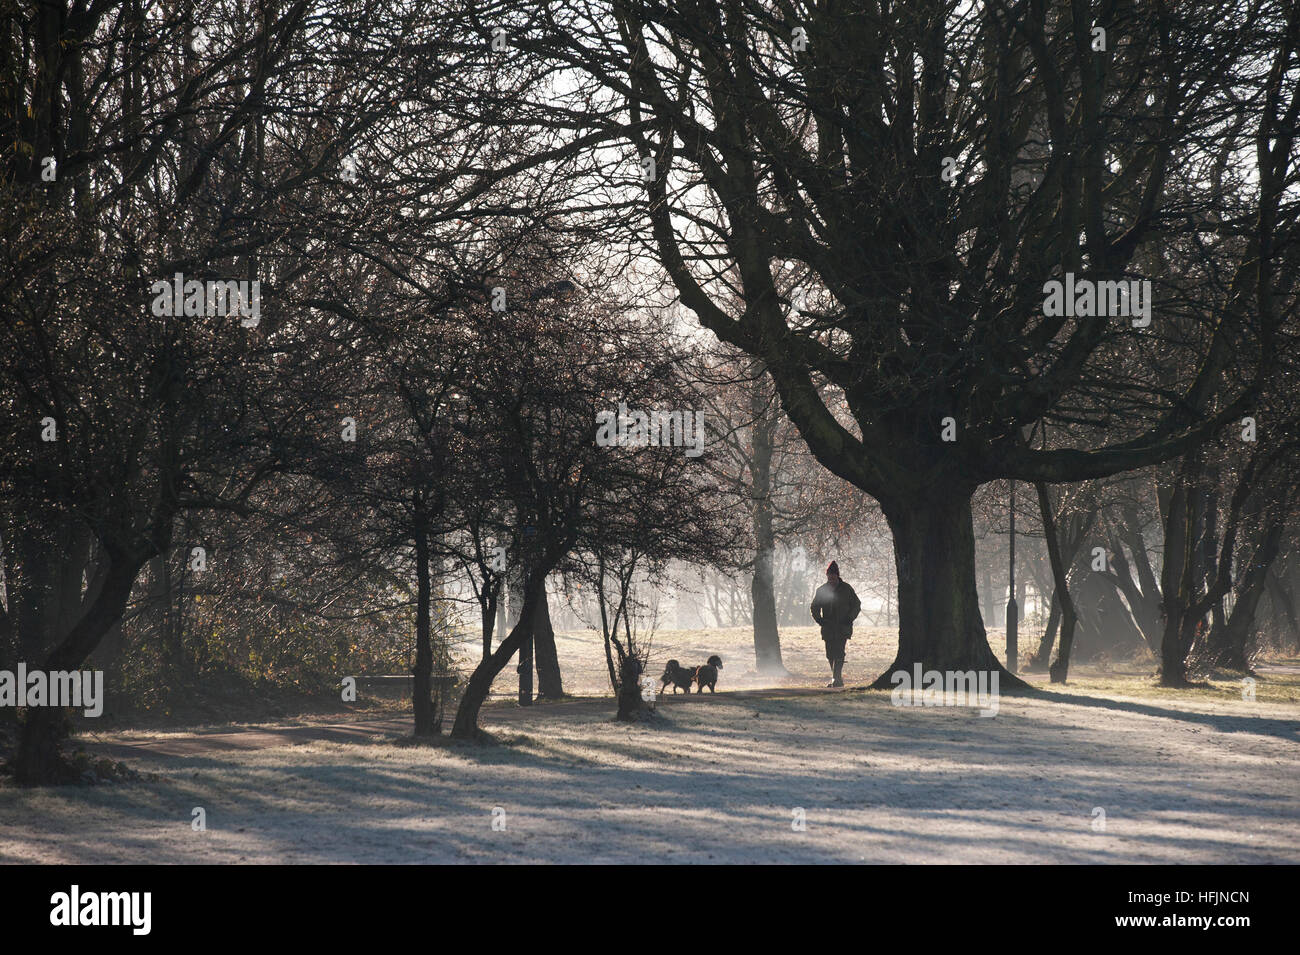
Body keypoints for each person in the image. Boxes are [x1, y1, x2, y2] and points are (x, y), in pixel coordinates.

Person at [810, 560, 861, 687]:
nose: (831, 577)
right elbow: (814, 607)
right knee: (829, 653)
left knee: (839, 651)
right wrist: (820, 620)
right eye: (829, 575)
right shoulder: (821, 590)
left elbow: (856, 605)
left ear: (837, 575)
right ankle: (836, 678)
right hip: (828, 627)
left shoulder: (847, 589)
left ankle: (836, 679)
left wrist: (850, 618)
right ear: (827, 575)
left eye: (833, 575)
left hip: (843, 626)